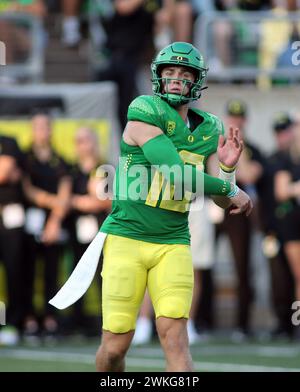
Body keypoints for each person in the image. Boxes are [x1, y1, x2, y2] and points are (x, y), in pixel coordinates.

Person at [95, 41, 252, 372]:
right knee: (114, 348)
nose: (177, 78)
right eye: (170, 71)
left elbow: (225, 203)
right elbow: (176, 175)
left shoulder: (210, 128)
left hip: (173, 241)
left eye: (184, 72)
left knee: (175, 339)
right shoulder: (143, 110)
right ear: (157, 75)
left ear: (197, 80)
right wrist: (229, 187)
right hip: (127, 238)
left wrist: (226, 171)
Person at [21, 112, 72, 343]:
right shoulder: (25, 157)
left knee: (52, 271)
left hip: (55, 222)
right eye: (39, 126)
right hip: (30, 221)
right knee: (28, 271)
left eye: (47, 126)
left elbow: (65, 188)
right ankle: (30, 318)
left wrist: (54, 220)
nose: (43, 131)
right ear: (33, 130)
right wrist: (53, 201)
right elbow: (27, 190)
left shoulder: (60, 161)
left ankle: (50, 318)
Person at [66, 127, 111, 334]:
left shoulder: (105, 168)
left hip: (101, 230)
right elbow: (64, 199)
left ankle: (108, 320)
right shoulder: (72, 170)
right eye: (79, 141)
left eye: (86, 140)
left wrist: (78, 201)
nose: (83, 145)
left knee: (104, 275)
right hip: (77, 229)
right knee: (77, 272)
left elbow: (106, 202)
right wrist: (84, 201)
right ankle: (78, 320)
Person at [259, 112, 295, 339]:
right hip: (273, 228)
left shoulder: (294, 160)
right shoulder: (270, 159)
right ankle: (283, 323)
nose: (283, 135)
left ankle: (295, 322)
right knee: (278, 277)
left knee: (296, 277)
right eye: (279, 131)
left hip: (294, 228)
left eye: (287, 129)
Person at [0, 134, 25, 346]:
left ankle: (13, 323)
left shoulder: (8, 141)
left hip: (10, 218)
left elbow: (4, 172)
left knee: (13, 271)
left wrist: (6, 170)